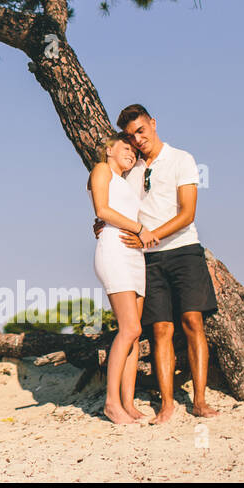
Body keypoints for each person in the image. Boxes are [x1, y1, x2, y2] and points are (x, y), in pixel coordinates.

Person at [111, 104, 220, 422]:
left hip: (184, 250)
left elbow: (188, 213)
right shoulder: (133, 170)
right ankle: (168, 404)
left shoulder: (182, 159)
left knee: (192, 323)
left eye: (141, 130)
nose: (137, 139)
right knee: (160, 330)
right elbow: (120, 207)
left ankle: (199, 401)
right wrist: (102, 224)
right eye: (131, 135)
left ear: (153, 124)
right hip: (149, 259)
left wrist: (149, 235)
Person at [87, 132, 149, 424]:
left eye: (135, 152)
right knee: (129, 328)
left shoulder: (128, 181)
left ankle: (129, 402)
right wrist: (138, 228)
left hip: (136, 257)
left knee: (135, 335)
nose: (131, 153)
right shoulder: (101, 169)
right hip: (114, 251)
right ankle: (111, 402)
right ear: (109, 149)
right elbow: (102, 210)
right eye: (126, 147)